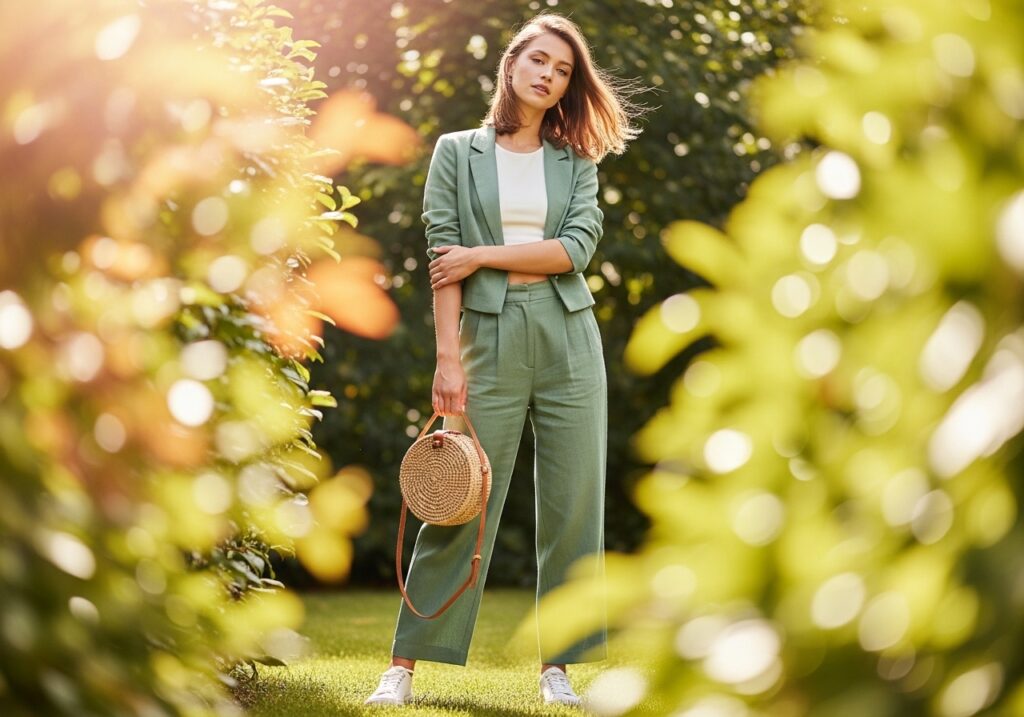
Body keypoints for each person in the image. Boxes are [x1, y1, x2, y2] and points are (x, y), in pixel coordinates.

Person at [366, 11, 641, 708]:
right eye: (540, 60)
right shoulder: (456, 152)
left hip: (568, 335)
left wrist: (481, 255)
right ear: (512, 61)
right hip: (485, 338)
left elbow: (573, 251)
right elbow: (443, 261)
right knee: (458, 497)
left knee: (574, 505)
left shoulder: (576, 160)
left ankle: (558, 670)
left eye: (564, 70)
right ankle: (402, 666)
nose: (549, 75)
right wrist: (447, 359)